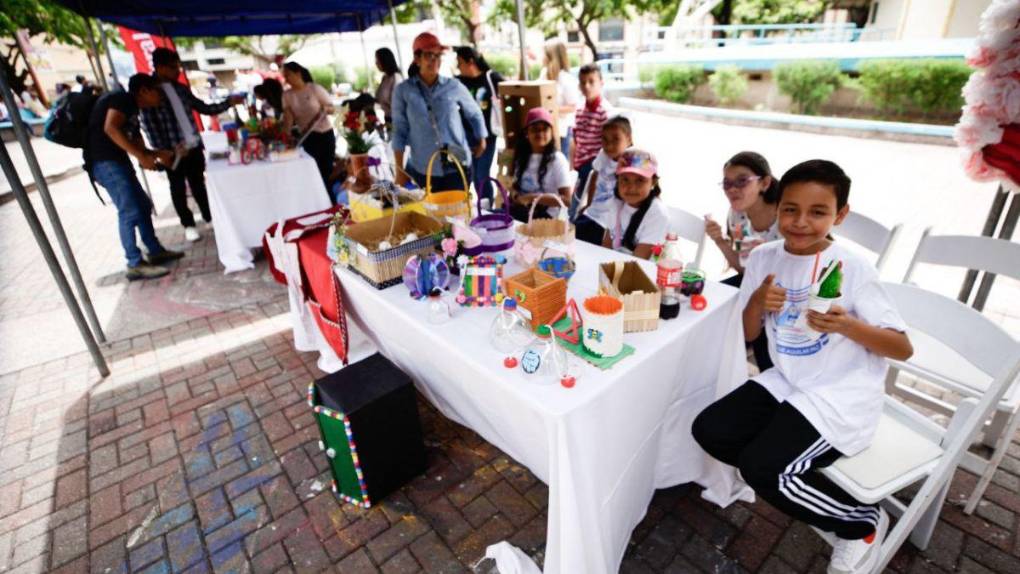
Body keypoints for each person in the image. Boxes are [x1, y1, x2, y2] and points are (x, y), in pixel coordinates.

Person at [692, 160, 913, 574]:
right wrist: (757, 299)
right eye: (791, 209)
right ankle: (791, 483)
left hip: (839, 394)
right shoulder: (764, 258)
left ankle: (861, 523)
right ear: (777, 207)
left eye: (817, 212)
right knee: (708, 430)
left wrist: (848, 324)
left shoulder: (854, 267)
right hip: (787, 380)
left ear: (839, 215)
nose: (800, 222)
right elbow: (746, 331)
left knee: (763, 468)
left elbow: (902, 348)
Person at [87, 73, 184, 281]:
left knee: (142, 204)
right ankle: (134, 263)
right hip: (105, 163)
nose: (161, 96)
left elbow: (138, 145)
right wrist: (142, 156)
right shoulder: (123, 99)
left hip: (117, 162)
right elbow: (110, 128)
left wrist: (156, 154)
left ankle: (155, 251)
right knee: (130, 210)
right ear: (144, 91)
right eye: (157, 91)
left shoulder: (133, 110)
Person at [140, 48, 242, 242]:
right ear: (160, 67)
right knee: (177, 188)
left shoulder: (181, 88)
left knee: (198, 184)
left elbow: (204, 107)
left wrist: (228, 102)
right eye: (173, 67)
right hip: (173, 152)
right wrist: (165, 152)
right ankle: (188, 224)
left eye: (178, 66)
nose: (178, 71)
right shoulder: (150, 91)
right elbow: (149, 126)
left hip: (194, 145)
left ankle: (209, 217)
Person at [392, 32, 487, 192]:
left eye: (438, 55)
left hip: (458, 164)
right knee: (431, 215)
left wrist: (481, 138)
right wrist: (399, 170)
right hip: (425, 168)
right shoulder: (403, 91)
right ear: (417, 59)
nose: (435, 60)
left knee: (460, 214)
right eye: (429, 55)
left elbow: (475, 113)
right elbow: (399, 131)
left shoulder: (453, 86)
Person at [597, 148, 670, 259]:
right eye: (625, 179)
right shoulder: (616, 203)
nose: (631, 187)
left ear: (653, 182)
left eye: (640, 180)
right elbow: (606, 246)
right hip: (615, 268)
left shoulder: (657, 214)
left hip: (641, 272)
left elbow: (638, 262)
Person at [454, 46, 504, 204]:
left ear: (470, 62)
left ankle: (486, 207)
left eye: (459, 63)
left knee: (481, 175)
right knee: (467, 174)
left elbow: (510, 97)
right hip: (464, 137)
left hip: (488, 136)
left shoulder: (492, 78)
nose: (458, 67)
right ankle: (468, 207)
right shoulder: (457, 82)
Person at [281, 61, 337, 198]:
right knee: (313, 172)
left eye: (288, 75)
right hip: (307, 137)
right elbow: (288, 119)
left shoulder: (314, 89)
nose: (286, 79)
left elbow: (332, 108)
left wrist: (325, 109)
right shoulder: (287, 95)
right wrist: (285, 137)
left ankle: (331, 202)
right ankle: (319, 201)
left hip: (325, 135)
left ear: (298, 73)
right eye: (284, 76)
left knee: (326, 171)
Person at [575, 116, 632, 245]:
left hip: (608, 223)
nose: (609, 145)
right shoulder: (603, 155)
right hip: (592, 214)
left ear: (629, 139)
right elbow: (595, 176)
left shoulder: (631, 163)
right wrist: (588, 204)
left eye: (615, 139)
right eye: (604, 139)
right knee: (571, 237)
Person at [508, 108, 571, 222]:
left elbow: (566, 200)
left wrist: (532, 198)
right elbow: (514, 186)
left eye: (544, 129)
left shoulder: (558, 159)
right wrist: (516, 196)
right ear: (527, 133)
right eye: (535, 129)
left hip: (545, 219)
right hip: (521, 211)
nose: (540, 133)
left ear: (551, 133)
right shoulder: (522, 156)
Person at [570, 64, 614, 220]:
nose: (586, 86)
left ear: (601, 83)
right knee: (575, 198)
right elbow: (576, 137)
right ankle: (573, 219)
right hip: (581, 161)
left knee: (582, 200)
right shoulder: (580, 109)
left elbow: (609, 144)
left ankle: (575, 220)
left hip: (595, 162)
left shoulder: (605, 111)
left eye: (591, 81)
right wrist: (573, 161)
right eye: (583, 82)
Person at [543, 41, 580, 158]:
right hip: (546, 128)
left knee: (560, 164)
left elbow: (573, 107)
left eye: (545, 54)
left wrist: (552, 109)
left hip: (562, 131)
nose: (542, 57)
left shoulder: (566, 79)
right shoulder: (543, 74)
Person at [374, 47, 403, 125]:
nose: (376, 63)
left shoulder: (396, 77)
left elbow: (397, 103)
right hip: (387, 118)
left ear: (385, 60)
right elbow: (379, 98)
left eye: (377, 60)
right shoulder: (385, 78)